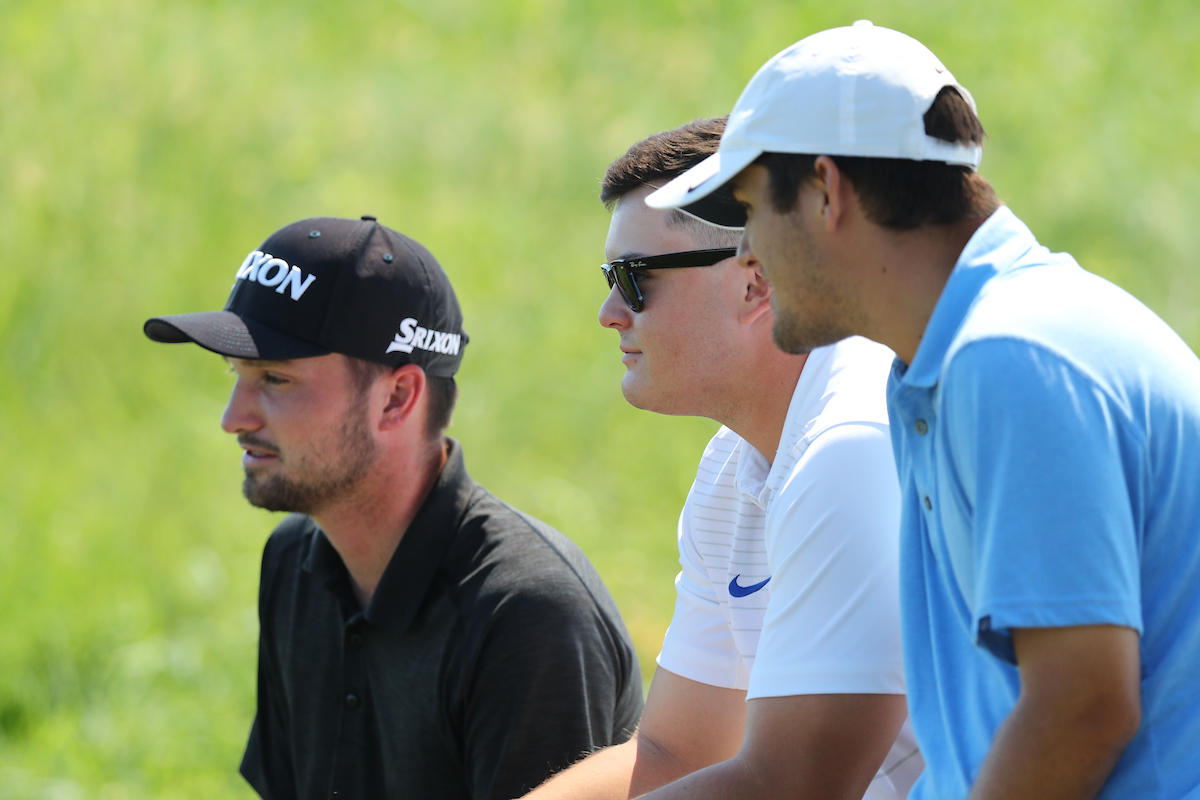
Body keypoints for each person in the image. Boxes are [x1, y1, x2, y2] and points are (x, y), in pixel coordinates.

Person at [648, 20, 1200, 800]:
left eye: (749, 213)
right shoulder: (951, 364)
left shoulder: (1012, 357)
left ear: (825, 191)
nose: (749, 256)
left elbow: (1081, 706)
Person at [143, 215, 643, 800]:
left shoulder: (528, 614)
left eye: (275, 379)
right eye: (237, 375)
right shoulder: (295, 557)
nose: (234, 418)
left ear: (398, 397)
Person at [526, 119, 921, 800]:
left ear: (755, 283)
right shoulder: (731, 467)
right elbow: (675, 751)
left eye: (634, 277)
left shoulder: (853, 440)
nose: (609, 311)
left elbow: (794, 787)